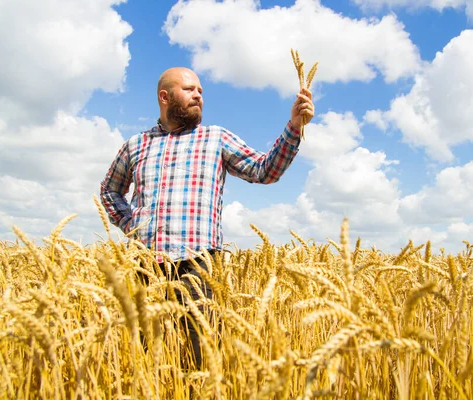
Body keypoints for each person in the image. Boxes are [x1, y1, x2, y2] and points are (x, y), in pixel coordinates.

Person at [100, 67, 314, 368]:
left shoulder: (216, 138)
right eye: (188, 89)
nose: (198, 94)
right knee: (146, 360)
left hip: (199, 268)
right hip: (145, 267)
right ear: (165, 97)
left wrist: (294, 125)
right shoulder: (136, 145)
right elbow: (110, 191)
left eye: (200, 90)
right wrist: (131, 224)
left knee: (201, 361)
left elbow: (266, 170)